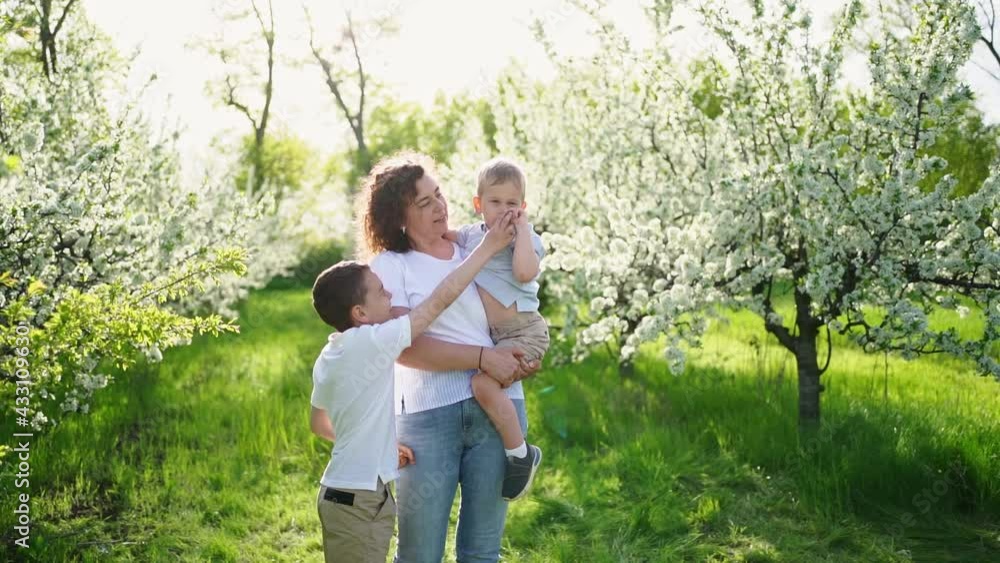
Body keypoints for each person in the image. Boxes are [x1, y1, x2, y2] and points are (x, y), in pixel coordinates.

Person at [360, 151, 541, 562]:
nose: (440, 206)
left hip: (497, 410)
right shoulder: (391, 265)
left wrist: (523, 354)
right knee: (420, 553)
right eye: (424, 203)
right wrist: (482, 358)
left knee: (481, 552)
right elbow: (404, 347)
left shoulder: (475, 243)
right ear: (399, 217)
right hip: (428, 417)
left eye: (439, 194)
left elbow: (518, 308)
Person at [308, 210, 516, 563]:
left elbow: (318, 424)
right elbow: (437, 301)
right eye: (379, 291)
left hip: (348, 492)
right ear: (359, 312)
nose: (389, 292)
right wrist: (487, 248)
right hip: (357, 500)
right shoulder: (375, 341)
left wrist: (380, 444)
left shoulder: (331, 353)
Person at [446, 157, 548, 501]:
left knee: (481, 383)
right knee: (482, 385)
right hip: (498, 337)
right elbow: (446, 235)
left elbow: (524, 273)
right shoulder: (471, 236)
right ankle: (519, 452)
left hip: (525, 331)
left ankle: (519, 454)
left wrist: (520, 232)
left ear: (523, 208)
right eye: (495, 202)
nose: (504, 210)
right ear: (478, 205)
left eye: (512, 204)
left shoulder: (528, 238)